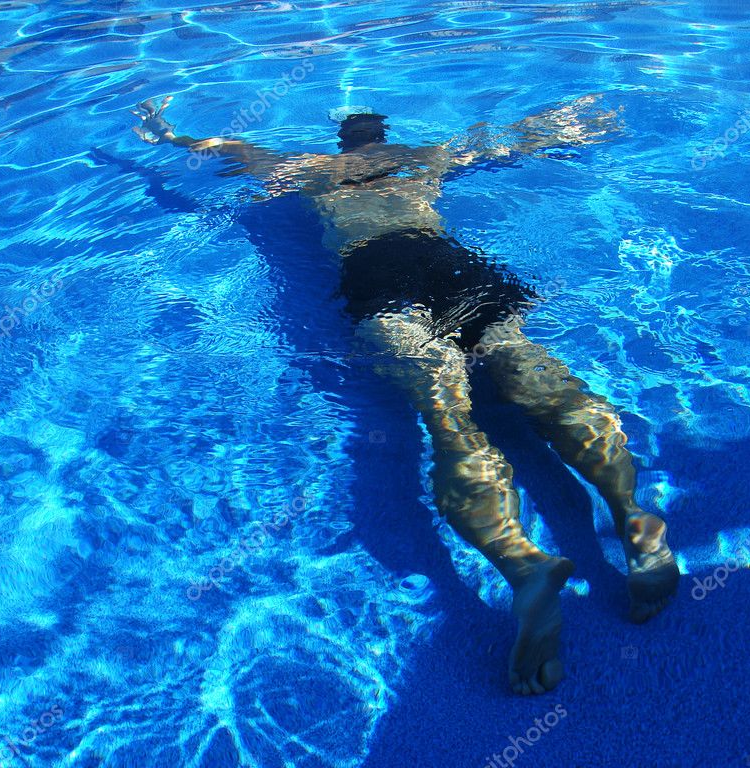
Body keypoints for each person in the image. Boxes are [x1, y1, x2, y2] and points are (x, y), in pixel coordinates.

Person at [132, 94, 679, 695]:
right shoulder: (427, 158)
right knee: (531, 369)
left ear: (346, 142)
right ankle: (632, 516)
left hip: (377, 269)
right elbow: (516, 138)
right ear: (384, 137)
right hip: (452, 260)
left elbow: (223, 152)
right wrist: (579, 124)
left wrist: (164, 134)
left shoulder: (313, 169)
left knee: (444, 412)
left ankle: (524, 566)